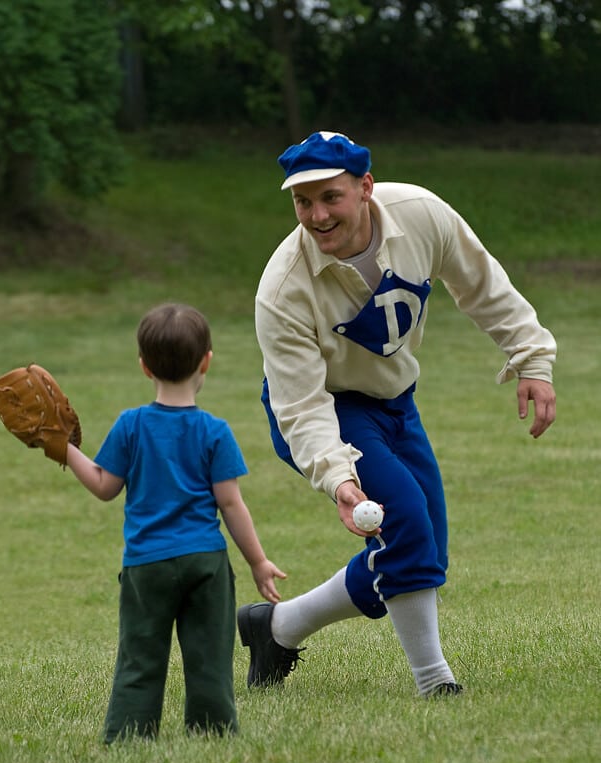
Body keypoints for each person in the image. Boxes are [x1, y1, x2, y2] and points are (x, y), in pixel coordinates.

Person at [237, 131, 556, 697]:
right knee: (405, 525)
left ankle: (277, 628)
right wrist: (338, 477)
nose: (316, 215)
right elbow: (301, 405)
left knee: (422, 551)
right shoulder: (283, 287)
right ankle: (435, 682)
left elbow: (482, 284)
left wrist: (531, 358)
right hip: (329, 413)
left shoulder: (422, 215)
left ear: (365, 188)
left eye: (329, 197)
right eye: (302, 202)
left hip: (396, 401)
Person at [66, 302, 286, 742]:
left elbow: (105, 486)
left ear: (144, 366)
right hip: (205, 562)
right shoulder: (215, 431)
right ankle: (212, 730)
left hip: (147, 566)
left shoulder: (131, 425)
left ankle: (129, 735)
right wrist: (258, 562)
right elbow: (231, 505)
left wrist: (63, 447)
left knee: (140, 655)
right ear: (207, 360)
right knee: (209, 655)